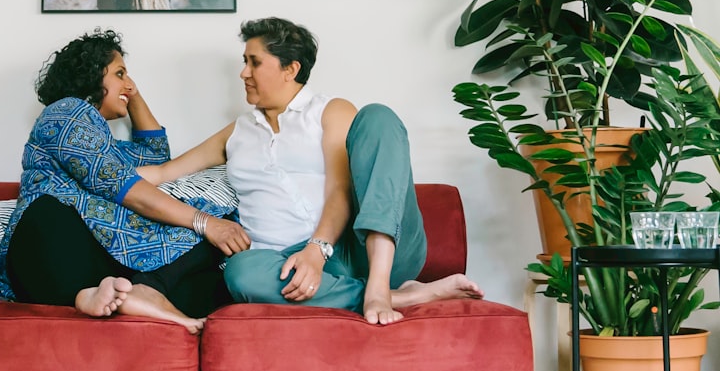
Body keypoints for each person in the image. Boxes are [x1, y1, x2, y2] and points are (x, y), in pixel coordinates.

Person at [138, 17, 484, 325]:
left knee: (378, 116)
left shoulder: (330, 112)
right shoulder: (237, 132)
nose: (243, 72)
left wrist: (316, 250)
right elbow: (164, 173)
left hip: (357, 247)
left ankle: (380, 284)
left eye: (254, 62)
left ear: (290, 69)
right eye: (244, 62)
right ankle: (404, 296)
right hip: (284, 265)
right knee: (242, 272)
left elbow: (340, 189)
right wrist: (96, 169)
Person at [0, 29, 249, 333]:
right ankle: (88, 295)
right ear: (93, 76)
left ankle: (131, 293)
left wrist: (128, 90)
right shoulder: (66, 113)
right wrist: (203, 222)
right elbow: (128, 190)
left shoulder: (105, 146)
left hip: (100, 262)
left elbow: (156, 157)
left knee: (210, 278)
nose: (129, 85)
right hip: (47, 248)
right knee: (209, 225)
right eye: (119, 73)